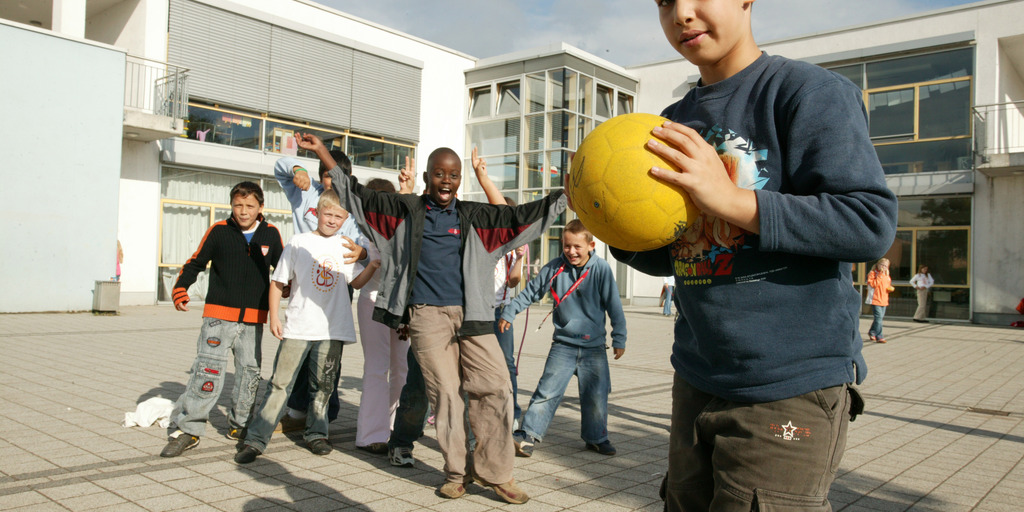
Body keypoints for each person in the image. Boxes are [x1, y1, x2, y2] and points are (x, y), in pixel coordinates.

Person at [608, 1, 899, 509]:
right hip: (696, 373)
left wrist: (732, 200)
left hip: (790, 384)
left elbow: (868, 223)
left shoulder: (808, 93)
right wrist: (614, 223)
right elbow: (677, 257)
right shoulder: (672, 123)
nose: (682, 13)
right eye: (664, 1)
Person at [300, 132, 567, 505]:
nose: (446, 180)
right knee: (446, 395)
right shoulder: (402, 212)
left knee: (498, 387)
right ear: (427, 176)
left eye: (453, 175)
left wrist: (564, 196)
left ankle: (497, 473)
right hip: (426, 317)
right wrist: (323, 152)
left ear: (461, 180)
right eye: (439, 174)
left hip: (473, 315)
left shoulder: (475, 216)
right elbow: (354, 195)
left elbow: (520, 217)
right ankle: (457, 473)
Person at [235, 191, 378, 464]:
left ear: (346, 219)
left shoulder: (345, 246)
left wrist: (372, 264)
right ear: (317, 212)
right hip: (298, 328)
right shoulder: (298, 242)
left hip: (332, 330)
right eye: (328, 214)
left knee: (322, 386)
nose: (333, 220)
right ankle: (255, 439)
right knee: (280, 384)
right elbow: (278, 282)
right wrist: (274, 317)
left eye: (339, 216)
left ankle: (317, 433)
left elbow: (356, 283)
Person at [161, 181, 284, 458]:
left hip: (253, 320)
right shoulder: (219, 231)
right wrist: (181, 287)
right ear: (231, 205)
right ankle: (189, 429)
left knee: (249, 374)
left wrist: (288, 290)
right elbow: (195, 262)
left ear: (260, 207)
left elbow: (284, 270)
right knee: (208, 370)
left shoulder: (271, 234)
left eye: (250, 206)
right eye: (238, 205)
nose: (243, 211)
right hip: (218, 317)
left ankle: (240, 426)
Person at [499, 219, 627, 458]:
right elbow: (530, 292)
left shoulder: (601, 269)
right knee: (546, 392)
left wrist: (619, 337)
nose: (571, 251)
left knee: (596, 396)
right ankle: (527, 435)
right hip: (564, 345)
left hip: (594, 347)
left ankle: (596, 437)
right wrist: (510, 311)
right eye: (567, 246)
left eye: (577, 246)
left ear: (591, 245)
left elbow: (614, 306)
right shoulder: (555, 267)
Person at [273, 154, 367, 431]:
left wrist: (362, 251)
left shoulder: (350, 207)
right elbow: (280, 166)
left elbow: (362, 241)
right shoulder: (306, 193)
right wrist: (297, 169)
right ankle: (296, 410)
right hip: (304, 283)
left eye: (335, 175)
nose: (329, 181)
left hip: (335, 283)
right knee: (298, 347)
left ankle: (322, 411)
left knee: (328, 355)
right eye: (324, 175)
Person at [354, 178, 411, 454]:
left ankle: (395, 427)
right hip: (373, 303)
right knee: (377, 368)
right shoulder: (362, 231)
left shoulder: (404, 230)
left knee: (402, 368)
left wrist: (407, 313)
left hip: (400, 308)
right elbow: (358, 273)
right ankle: (370, 434)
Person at [868, 258, 894, 343]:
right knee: (878, 318)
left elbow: (886, 285)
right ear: (878, 264)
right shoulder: (873, 273)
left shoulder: (887, 275)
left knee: (879, 319)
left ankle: (872, 332)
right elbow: (873, 284)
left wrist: (889, 289)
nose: (884, 267)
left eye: (886, 266)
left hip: (884, 299)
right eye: (882, 265)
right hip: (875, 299)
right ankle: (879, 336)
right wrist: (880, 275)